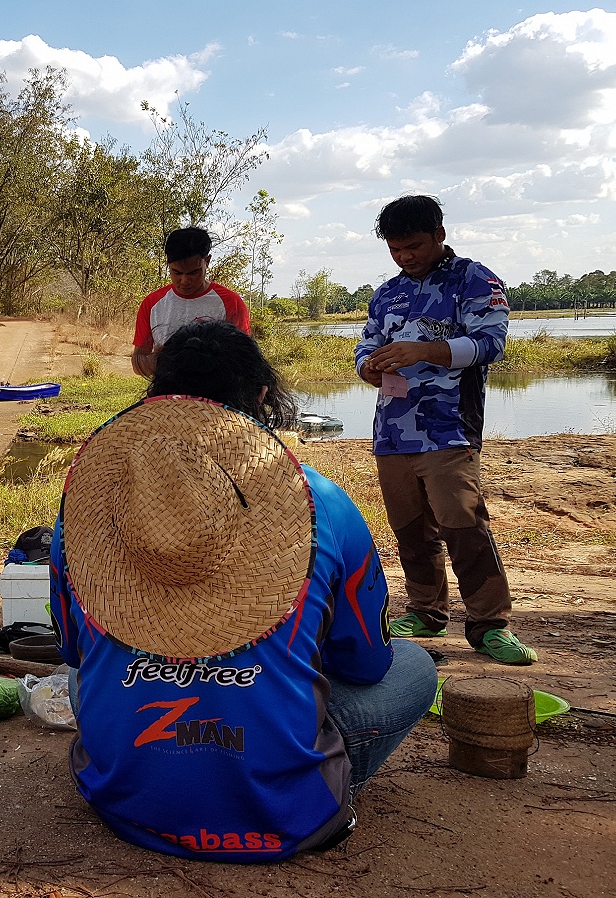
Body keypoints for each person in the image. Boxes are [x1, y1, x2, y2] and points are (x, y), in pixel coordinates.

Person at [50, 321, 436, 862]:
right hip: (285, 816)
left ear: (157, 397)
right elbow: (367, 666)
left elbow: (71, 648)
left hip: (126, 804)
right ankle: (303, 779)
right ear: (260, 397)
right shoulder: (321, 501)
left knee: (79, 672)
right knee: (415, 665)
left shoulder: (86, 505)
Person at [354, 195, 535, 665]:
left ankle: (490, 624)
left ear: (439, 235)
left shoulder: (474, 280)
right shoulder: (387, 292)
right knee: (410, 528)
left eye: (413, 245)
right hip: (392, 431)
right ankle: (426, 611)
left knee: (463, 524)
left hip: (449, 429)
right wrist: (368, 368)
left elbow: (489, 344)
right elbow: (367, 344)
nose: (405, 256)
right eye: (395, 249)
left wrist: (424, 351)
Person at [131, 226, 251, 376]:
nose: (184, 281)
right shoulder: (152, 304)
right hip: (166, 394)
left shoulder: (231, 303)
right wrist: (157, 361)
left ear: (207, 261)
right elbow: (138, 360)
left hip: (214, 395)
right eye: (177, 272)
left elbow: (244, 360)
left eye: (193, 273)